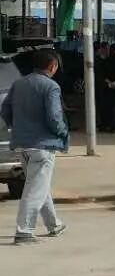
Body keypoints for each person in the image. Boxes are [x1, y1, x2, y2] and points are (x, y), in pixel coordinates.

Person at [1, 49, 69, 244]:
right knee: (35, 189)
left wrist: (18, 128)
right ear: (52, 66)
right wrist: (63, 132)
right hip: (42, 146)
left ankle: (53, 224)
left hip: (22, 145)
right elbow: (55, 118)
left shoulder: (18, 84)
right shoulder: (51, 87)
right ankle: (24, 231)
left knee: (38, 184)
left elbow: (5, 111)